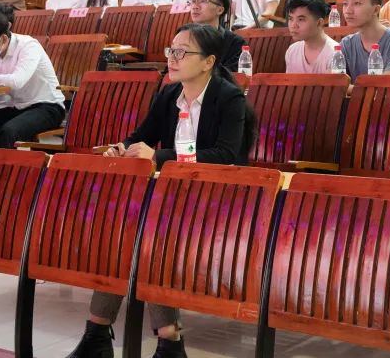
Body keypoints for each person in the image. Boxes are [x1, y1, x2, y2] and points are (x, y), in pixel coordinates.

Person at [67, 23, 252, 358]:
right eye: (171, 50)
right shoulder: (169, 94)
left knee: (146, 231)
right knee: (126, 230)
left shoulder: (229, 98)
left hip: (218, 195)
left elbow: (225, 155)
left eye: (182, 52)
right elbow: (142, 135)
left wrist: (160, 156)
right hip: (172, 194)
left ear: (208, 61)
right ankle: (156, 340)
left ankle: (107, 336)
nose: (173, 58)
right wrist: (121, 148)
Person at [0, 11, 65, 148]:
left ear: (3, 38)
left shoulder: (28, 46)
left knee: (9, 131)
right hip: (16, 107)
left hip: (47, 106)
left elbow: (16, 81)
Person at [187, 0, 244, 72]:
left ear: (220, 10)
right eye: (193, 1)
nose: (195, 7)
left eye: (203, 1)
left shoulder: (235, 43)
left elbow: (230, 76)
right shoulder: (184, 38)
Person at [283, 0, 339, 73]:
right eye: (291, 19)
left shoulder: (335, 54)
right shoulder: (292, 51)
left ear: (319, 23)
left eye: (301, 19)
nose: (293, 25)